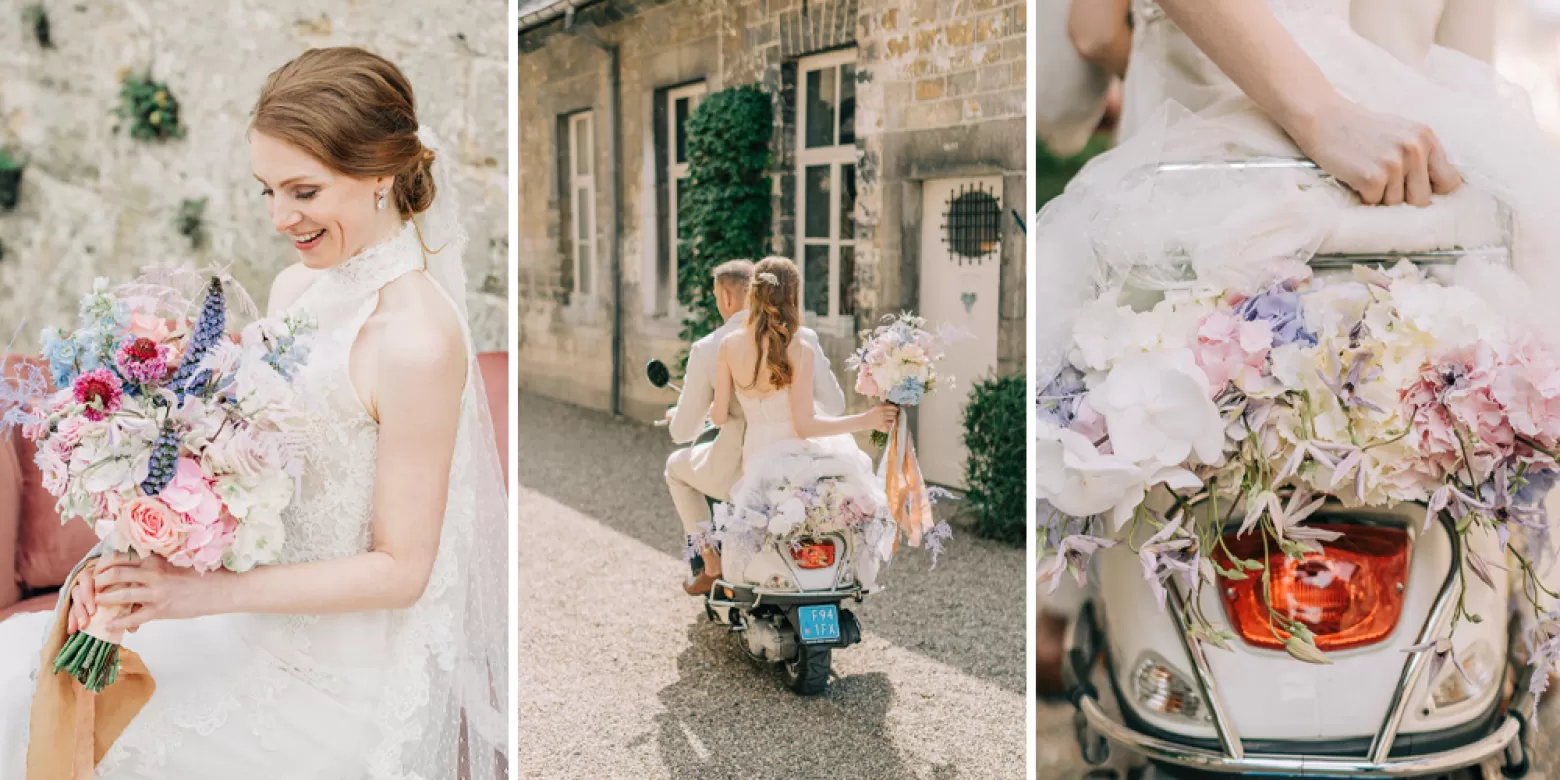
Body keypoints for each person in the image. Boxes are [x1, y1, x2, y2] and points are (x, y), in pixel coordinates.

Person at [0, 47, 507, 779]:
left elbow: (401, 571)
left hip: (331, 683)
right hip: (238, 618)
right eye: (266, 190)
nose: (279, 218)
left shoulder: (418, 339)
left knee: (78, 735)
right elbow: (241, 477)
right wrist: (135, 561)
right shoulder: (295, 290)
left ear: (380, 175)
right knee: (23, 686)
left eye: (303, 191)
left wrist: (197, 596)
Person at [708, 257, 897, 588]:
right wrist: (865, 419)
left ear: (753, 294)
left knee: (765, 532)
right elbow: (804, 427)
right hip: (796, 457)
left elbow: (719, 415)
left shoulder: (728, 345)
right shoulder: (801, 348)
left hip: (757, 458)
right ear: (793, 297)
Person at [664, 258, 846, 595]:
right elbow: (834, 406)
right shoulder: (804, 339)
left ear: (727, 296)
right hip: (798, 456)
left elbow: (683, 432)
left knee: (676, 469)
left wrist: (681, 414)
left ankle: (710, 562)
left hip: (740, 465)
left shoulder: (710, 347)